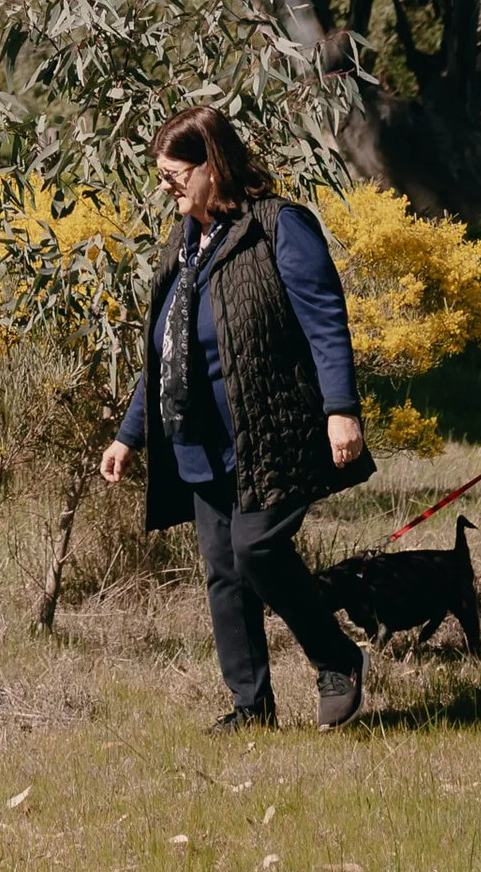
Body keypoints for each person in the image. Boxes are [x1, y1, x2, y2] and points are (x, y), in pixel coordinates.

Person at [100, 104, 373, 731]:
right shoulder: (183, 242)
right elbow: (166, 350)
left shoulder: (278, 226)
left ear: (213, 167)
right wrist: (129, 434)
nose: (166, 186)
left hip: (270, 432)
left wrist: (341, 411)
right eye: (162, 175)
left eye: (175, 174)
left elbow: (326, 321)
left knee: (257, 550)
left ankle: (337, 659)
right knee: (224, 573)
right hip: (200, 441)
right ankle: (251, 706)